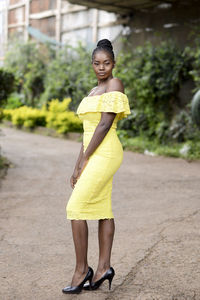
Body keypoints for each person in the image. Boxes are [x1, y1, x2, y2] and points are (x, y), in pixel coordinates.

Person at [62, 39, 131, 294]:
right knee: (103, 207)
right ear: (92, 64)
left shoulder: (115, 84)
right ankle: (103, 269)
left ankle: (82, 270)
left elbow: (104, 125)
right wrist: (77, 166)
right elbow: (87, 133)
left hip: (107, 151)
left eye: (107, 63)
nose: (102, 68)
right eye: (97, 63)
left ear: (114, 64)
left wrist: (88, 158)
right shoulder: (93, 90)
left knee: (75, 207)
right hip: (92, 150)